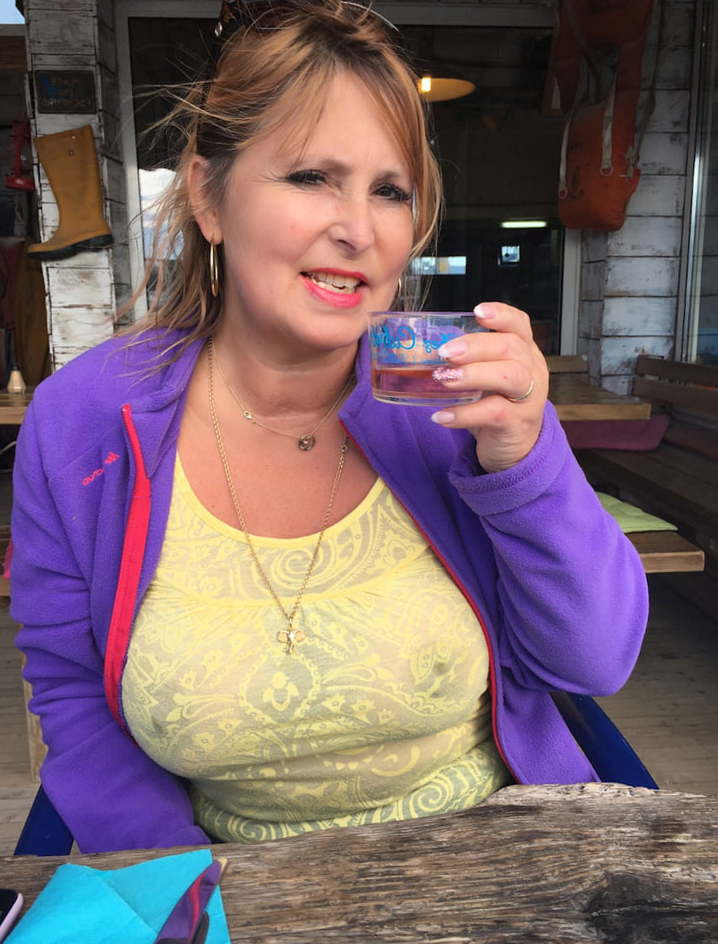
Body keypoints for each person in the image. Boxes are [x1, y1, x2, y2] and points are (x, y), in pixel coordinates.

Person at [11, 0, 648, 854]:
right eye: (312, 176)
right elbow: (72, 692)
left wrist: (527, 462)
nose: (358, 230)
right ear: (207, 195)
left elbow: (593, 662)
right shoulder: (83, 421)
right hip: (228, 880)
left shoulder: (452, 402)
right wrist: (182, 885)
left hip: (490, 863)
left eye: (391, 191)